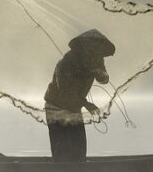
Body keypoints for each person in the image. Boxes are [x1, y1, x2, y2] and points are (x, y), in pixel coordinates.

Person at [44, 29, 115, 161]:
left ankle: (77, 171)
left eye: (98, 48)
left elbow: (104, 80)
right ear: (84, 45)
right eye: (92, 47)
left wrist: (100, 74)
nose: (95, 51)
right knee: (62, 151)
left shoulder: (96, 60)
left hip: (74, 107)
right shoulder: (68, 61)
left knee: (79, 149)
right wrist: (86, 103)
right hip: (56, 107)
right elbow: (65, 91)